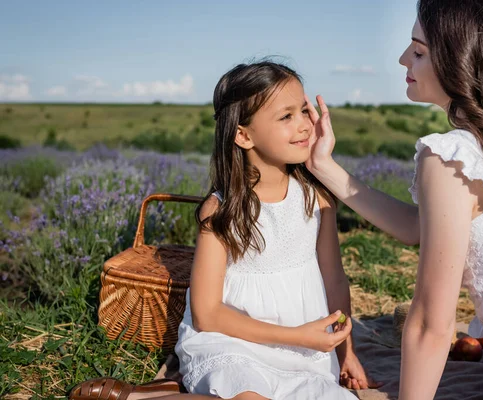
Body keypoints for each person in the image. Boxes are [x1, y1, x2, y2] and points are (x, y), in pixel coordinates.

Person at [303, 0, 483, 399]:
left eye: (419, 51)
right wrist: (325, 167)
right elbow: (417, 227)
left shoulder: (451, 154)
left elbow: (430, 323)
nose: (402, 58)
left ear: (465, 62)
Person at [69, 62, 381, 400]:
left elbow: (334, 279)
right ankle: (137, 397)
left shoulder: (317, 199)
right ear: (244, 135)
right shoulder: (222, 210)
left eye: (304, 111)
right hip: (234, 344)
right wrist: (297, 335)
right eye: (286, 116)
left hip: (305, 353)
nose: (306, 125)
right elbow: (207, 314)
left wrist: (346, 353)